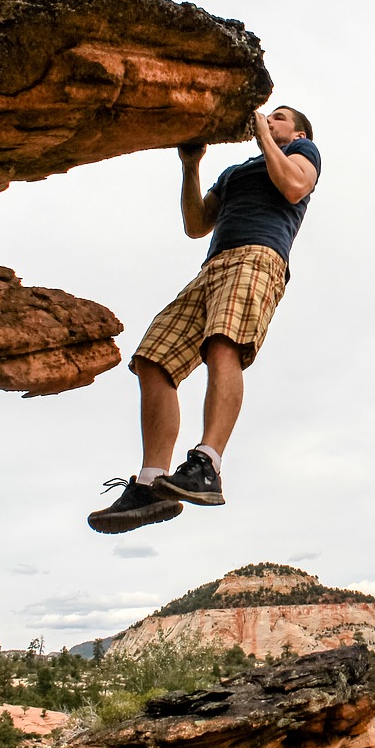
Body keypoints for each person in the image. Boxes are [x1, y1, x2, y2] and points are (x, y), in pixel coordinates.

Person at [87, 105, 320, 535]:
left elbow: (292, 186)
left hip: (258, 255)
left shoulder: (304, 151)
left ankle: (207, 465)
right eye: (268, 117)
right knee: (153, 358)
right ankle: (151, 483)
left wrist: (262, 134)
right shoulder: (234, 173)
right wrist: (190, 166)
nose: (270, 120)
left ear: (299, 130)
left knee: (222, 343)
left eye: (280, 117)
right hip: (211, 268)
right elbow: (196, 224)